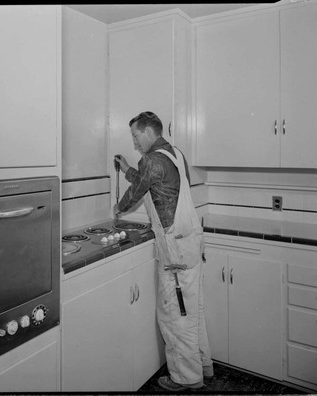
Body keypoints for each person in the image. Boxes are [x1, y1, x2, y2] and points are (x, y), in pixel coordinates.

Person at [113, 111, 213, 392]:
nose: (134, 143)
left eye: (135, 136)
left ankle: (186, 378)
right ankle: (203, 366)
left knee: (174, 314)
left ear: (147, 132)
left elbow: (136, 192)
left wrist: (117, 210)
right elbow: (151, 180)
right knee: (193, 311)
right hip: (191, 241)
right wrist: (126, 169)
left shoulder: (151, 160)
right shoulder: (174, 154)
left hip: (175, 249)